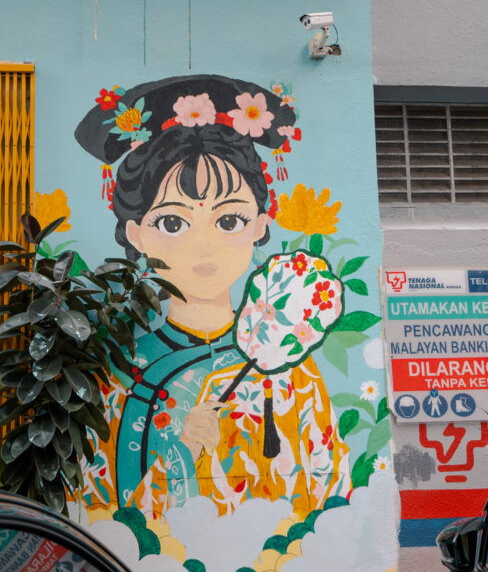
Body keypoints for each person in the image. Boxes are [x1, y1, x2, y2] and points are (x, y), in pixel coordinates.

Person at [75, 75, 351, 521]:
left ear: (260, 226)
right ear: (136, 234)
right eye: (172, 224)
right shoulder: (122, 370)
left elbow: (329, 490)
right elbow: (100, 510)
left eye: (228, 222)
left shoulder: (292, 370)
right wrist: (182, 450)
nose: (203, 246)